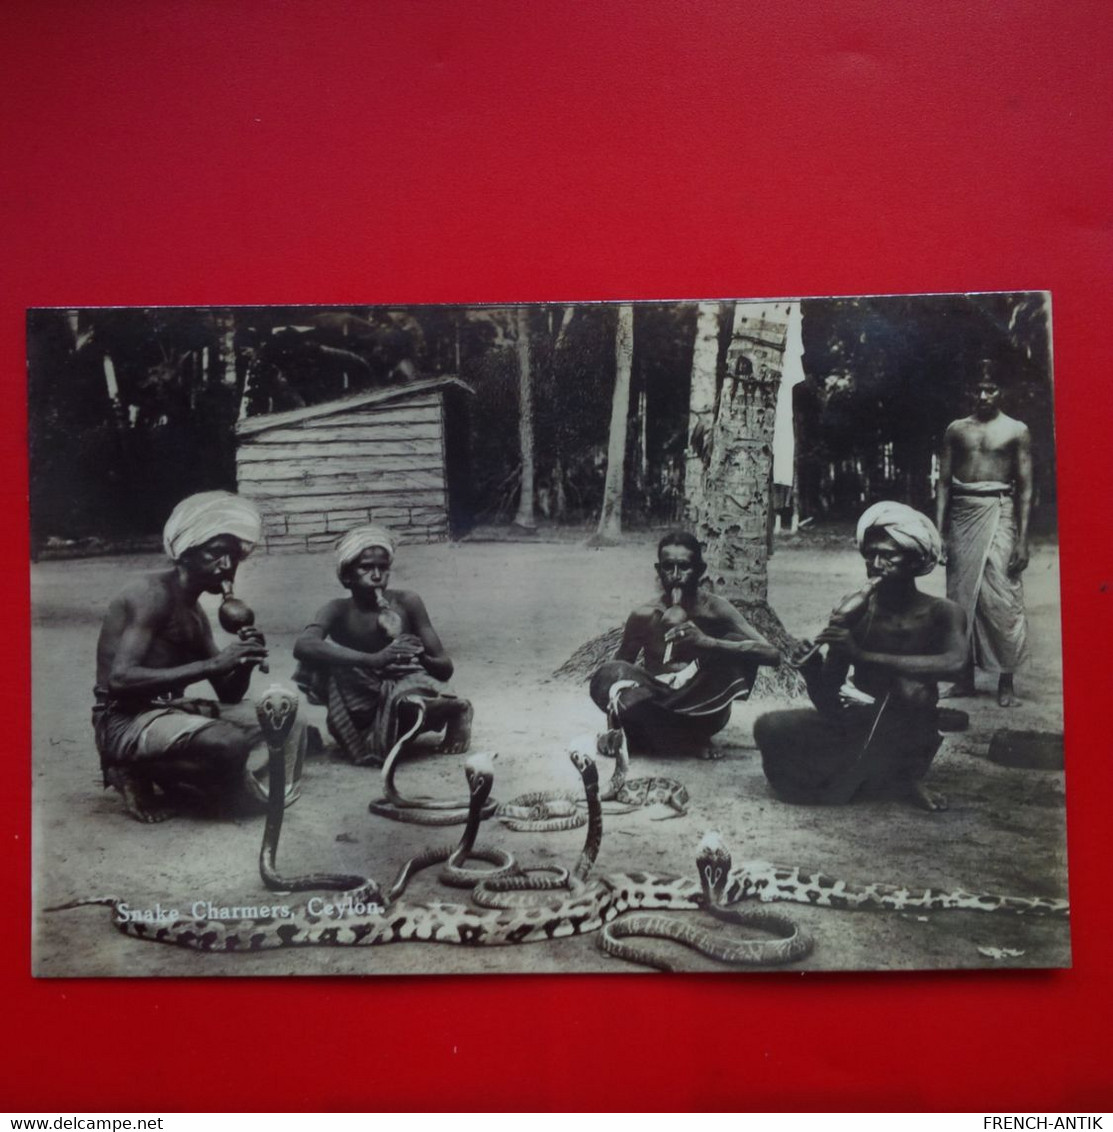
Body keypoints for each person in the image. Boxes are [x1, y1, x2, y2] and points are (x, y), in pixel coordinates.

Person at [754, 503, 966, 811]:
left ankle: (908, 777)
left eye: (888, 555)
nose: (876, 563)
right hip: (855, 722)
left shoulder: (942, 612)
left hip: (908, 728)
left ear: (914, 560)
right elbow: (829, 701)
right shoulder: (857, 612)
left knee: (912, 689)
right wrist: (813, 670)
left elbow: (956, 664)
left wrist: (862, 656)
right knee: (768, 727)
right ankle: (877, 777)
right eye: (870, 555)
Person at [93, 491, 275, 823]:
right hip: (123, 719)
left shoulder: (195, 615)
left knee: (285, 725)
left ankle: (186, 780)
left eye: (233, 556)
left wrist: (243, 661)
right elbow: (120, 681)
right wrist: (211, 665)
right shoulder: (150, 594)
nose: (227, 565)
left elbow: (229, 692)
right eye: (216, 554)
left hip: (167, 712)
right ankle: (130, 767)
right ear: (185, 553)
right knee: (230, 743)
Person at [589, 531, 781, 759]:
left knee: (737, 645)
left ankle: (668, 740)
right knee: (609, 673)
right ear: (658, 570)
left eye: (684, 567)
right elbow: (616, 676)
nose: (676, 576)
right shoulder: (643, 615)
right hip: (657, 702)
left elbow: (772, 654)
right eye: (668, 567)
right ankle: (683, 742)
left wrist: (708, 643)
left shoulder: (715, 609)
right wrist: (614, 728)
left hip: (704, 710)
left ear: (700, 571)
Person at [293, 525, 472, 766]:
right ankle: (374, 728)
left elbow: (444, 667)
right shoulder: (337, 609)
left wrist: (418, 655)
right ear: (347, 576)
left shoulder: (407, 602)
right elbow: (303, 645)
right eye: (366, 567)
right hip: (363, 687)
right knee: (315, 664)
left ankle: (455, 709)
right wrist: (372, 660)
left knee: (406, 706)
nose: (377, 575)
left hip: (408, 682)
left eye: (383, 567)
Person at [935, 363, 1033, 706]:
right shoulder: (956, 430)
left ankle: (1006, 682)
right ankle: (963, 678)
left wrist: (1022, 539)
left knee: (1003, 598)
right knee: (960, 599)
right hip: (963, 514)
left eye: (990, 389)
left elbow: (1025, 488)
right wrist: (939, 532)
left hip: (1000, 512)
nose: (983, 395)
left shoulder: (1016, 430)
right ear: (969, 391)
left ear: (1001, 392)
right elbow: (944, 483)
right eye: (977, 388)